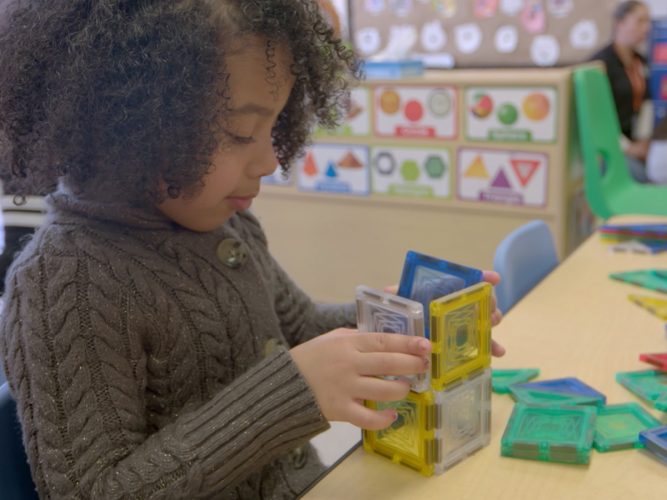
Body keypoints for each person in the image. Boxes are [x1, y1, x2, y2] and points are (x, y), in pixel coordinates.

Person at [0, 1, 504, 499]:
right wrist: (291, 393)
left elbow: (300, 329)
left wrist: (398, 323)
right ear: (128, 128)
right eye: (241, 133)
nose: (269, 160)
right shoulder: (62, 281)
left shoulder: (228, 222)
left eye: (275, 127)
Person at [591, 0, 653, 183]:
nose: (647, 28)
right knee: (641, 176)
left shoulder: (640, 61)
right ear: (620, 23)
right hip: (607, 147)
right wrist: (628, 148)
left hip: (634, 141)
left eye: (648, 21)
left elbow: (646, 103)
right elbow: (595, 117)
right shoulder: (599, 65)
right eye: (640, 21)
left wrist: (642, 140)